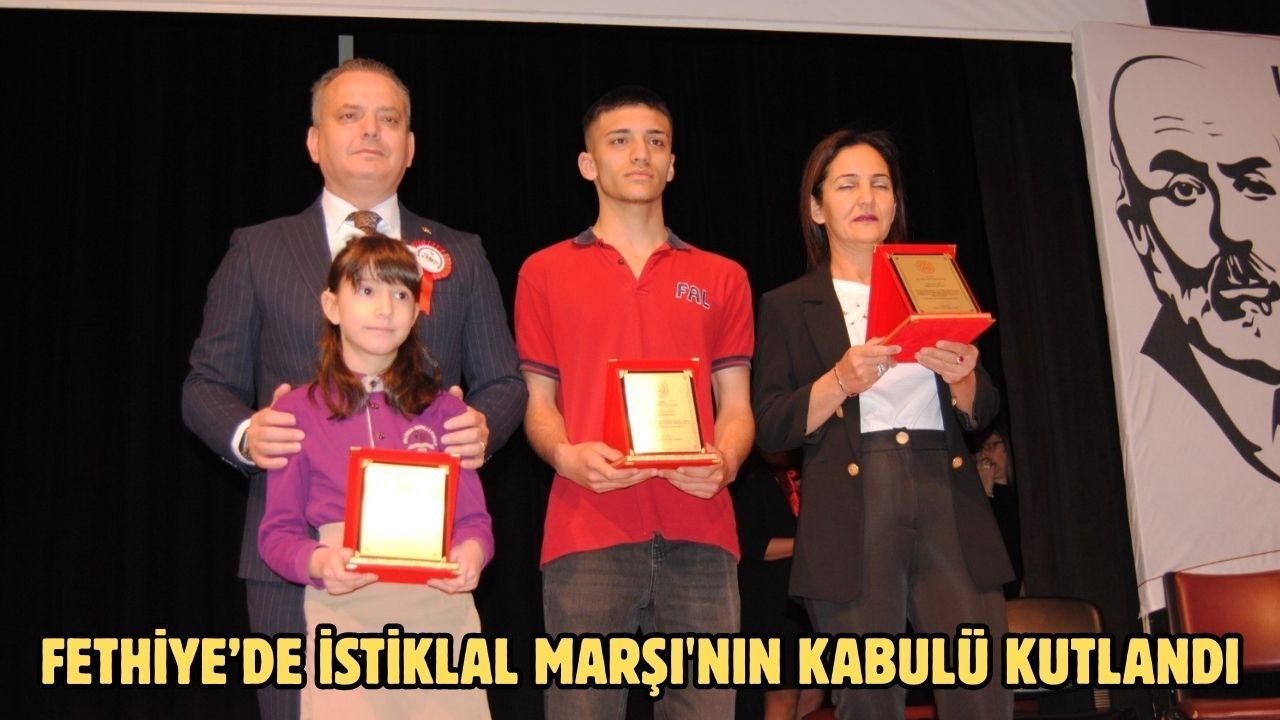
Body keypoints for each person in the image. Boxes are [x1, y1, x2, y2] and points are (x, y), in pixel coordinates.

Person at [182, 58, 526, 720]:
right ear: (314, 142)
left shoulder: (461, 252)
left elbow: (504, 382)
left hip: (430, 574)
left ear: (410, 146)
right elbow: (204, 386)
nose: (371, 130)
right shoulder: (259, 249)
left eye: (388, 119)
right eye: (350, 116)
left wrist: (483, 423)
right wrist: (249, 434)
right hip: (296, 560)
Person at [752, 129, 1013, 719]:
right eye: (847, 185)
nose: (867, 197)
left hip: (946, 493)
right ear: (817, 208)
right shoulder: (788, 304)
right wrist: (838, 380)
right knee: (869, 697)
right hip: (852, 506)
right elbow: (771, 426)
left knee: (981, 689)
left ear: (895, 204)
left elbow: (984, 408)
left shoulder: (935, 282)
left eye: (880, 184)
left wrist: (964, 378)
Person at [515, 85, 755, 719]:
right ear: (588, 163)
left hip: (702, 529)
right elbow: (537, 402)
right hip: (586, 528)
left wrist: (727, 460)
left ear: (672, 164)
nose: (640, 154)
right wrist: (564, 455)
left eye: (655, 141)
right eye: (619, 141)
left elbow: (736, 406)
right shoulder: (543, 272)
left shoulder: (723, 276)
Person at [258, 234, 492, 718]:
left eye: (401, 294)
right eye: (366, 290)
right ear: (332, 305)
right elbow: (277, 534)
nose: (385, 308)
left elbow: (474, 522)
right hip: (345, 623)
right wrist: (319, 561)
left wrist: (472, 554)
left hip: (441, 623)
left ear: (415, 311)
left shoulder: (448, 412)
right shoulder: (295, 412)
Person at [1110, 55, 1280, 481]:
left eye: (1253, 184)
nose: (1229, 230)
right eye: (1184, 191)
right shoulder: (1143, 412)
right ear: (1140, 234)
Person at [729, 451, 825, 720]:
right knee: (782, 695)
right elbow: (750, 546)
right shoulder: (750, 479)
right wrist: (807, 545)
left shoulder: (814, 472)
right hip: (771, 605)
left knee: (813, 692)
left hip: (809, 602)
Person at [974, 425, 1023, 597]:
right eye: (981, 448)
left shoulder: (1022, 498)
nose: (985, 452)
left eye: (992, 445)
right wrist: (985, 492)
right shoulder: (975, 498)